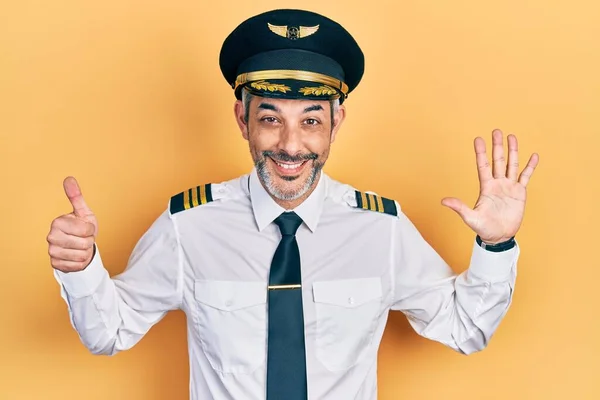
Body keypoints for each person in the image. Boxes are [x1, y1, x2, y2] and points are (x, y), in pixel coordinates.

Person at [46, 8, 539, 400]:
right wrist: (82, 266)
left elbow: (465, 328)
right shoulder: (188, 225)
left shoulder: (380, 229)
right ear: (242, 120)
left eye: (310, 121)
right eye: (270, 118)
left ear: (335, 123)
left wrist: (496, 245)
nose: (290, 145)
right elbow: (108, 332)